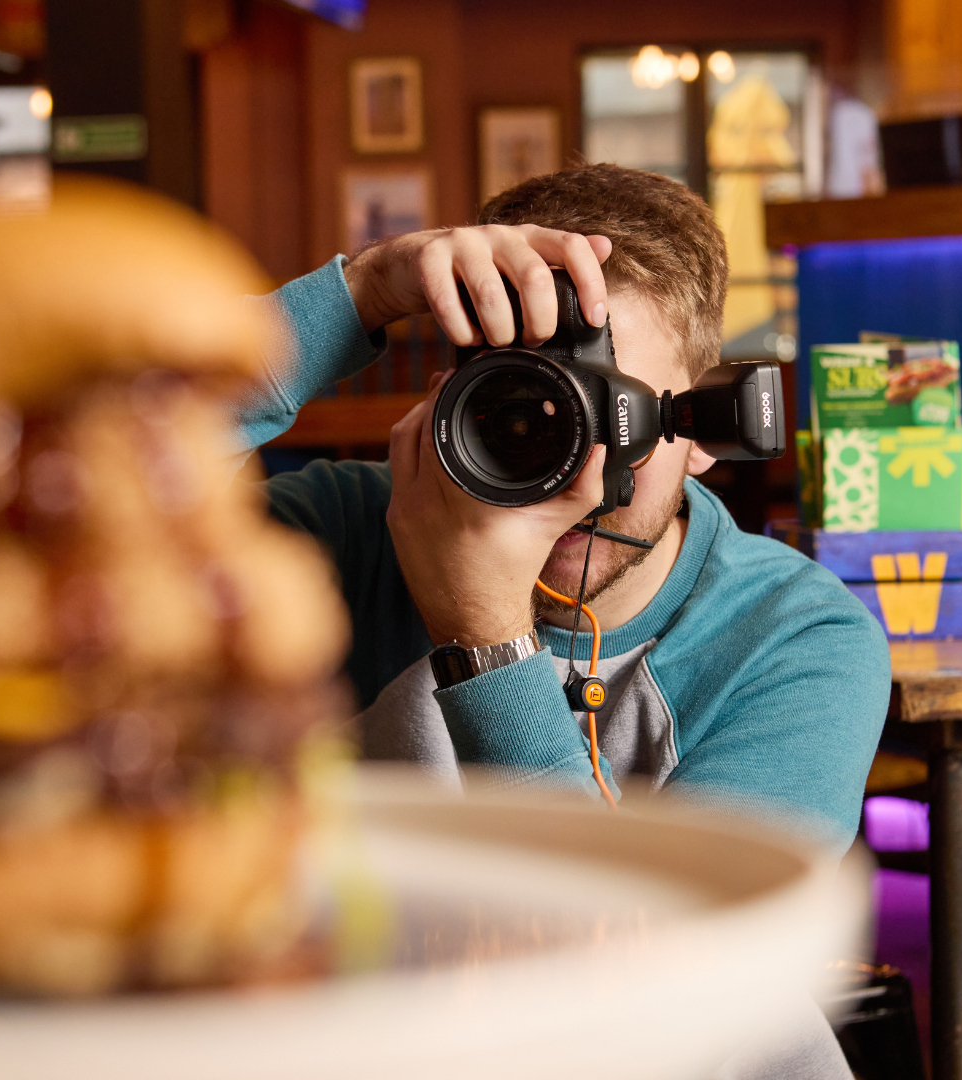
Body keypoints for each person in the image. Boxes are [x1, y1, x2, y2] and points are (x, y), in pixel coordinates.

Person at [234, 162, 890, 849]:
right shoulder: (347, 532)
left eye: (611, 416)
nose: (568, 481)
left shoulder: (793, 640)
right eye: (517, 412)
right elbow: (114, 490)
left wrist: (485, 637)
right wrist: (362, 291)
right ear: (447, 402)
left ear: (703, 429)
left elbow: (679, 949)